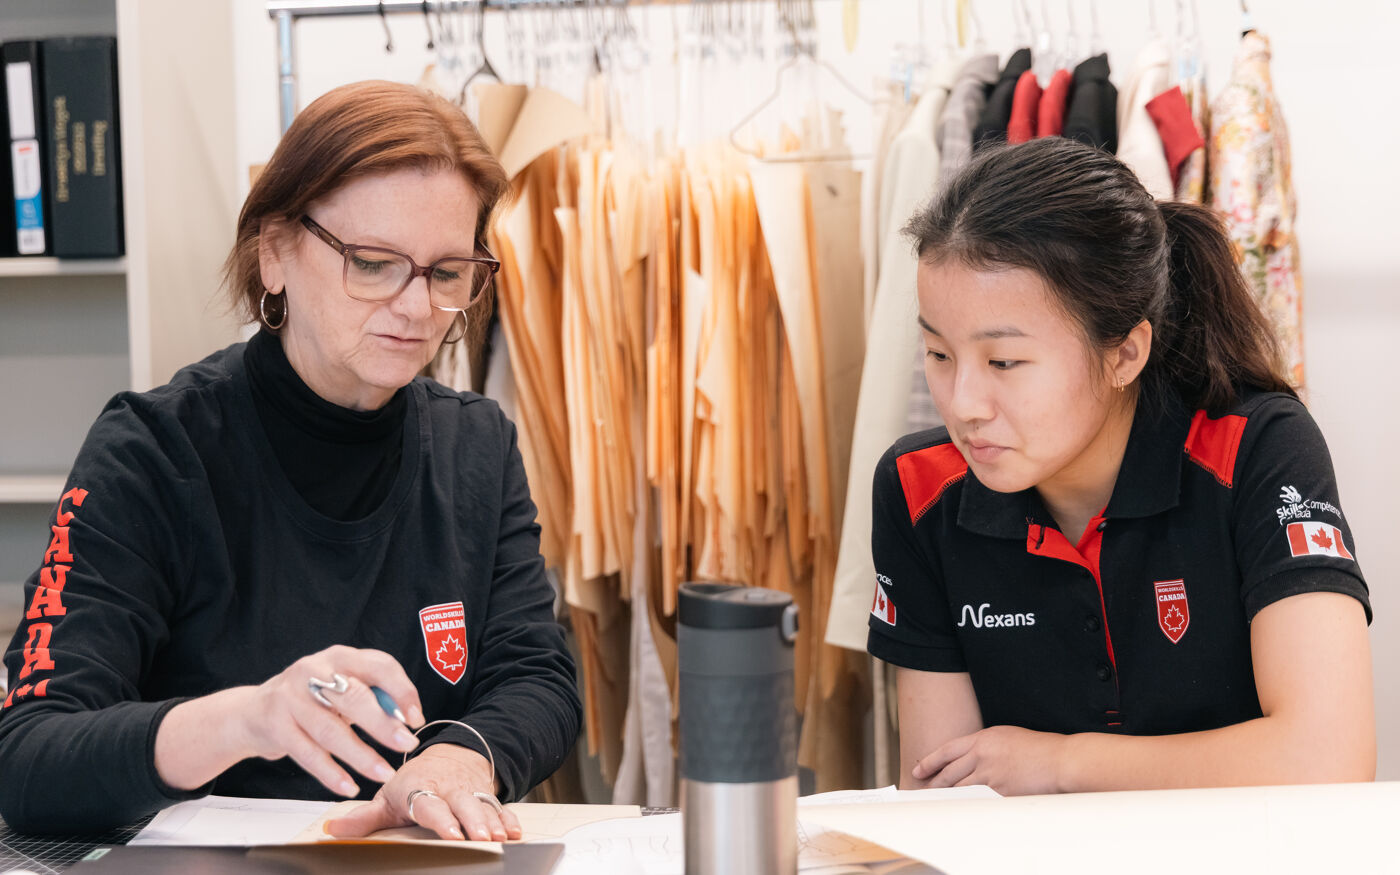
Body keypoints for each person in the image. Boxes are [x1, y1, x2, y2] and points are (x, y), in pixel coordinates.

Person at [0, 80, 581, 838]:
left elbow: (537, 674)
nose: (414, 308)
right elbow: (30, 754)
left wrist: (461, 755)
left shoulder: (478, 446)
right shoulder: (152, 452)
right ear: (274, 250)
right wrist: (247, 718)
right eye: (373, 263)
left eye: (445, 273)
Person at [867, 138, 1373, 795]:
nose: (962, 404)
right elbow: (946, 800)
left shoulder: (1255, 446)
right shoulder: (916, 487)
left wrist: (1059, 764)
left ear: (1125, 353)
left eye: (1004, 362)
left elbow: (1330, 757)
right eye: (938, 353)